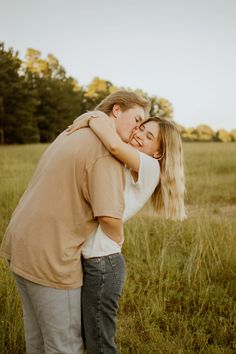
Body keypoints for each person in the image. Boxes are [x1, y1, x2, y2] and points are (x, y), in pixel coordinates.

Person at [0, 90, 150, 354]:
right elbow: (109, 217)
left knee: (36, 343)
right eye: (136, 119)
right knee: (64, 346)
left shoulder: (73, 130)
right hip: (51, 258)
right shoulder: (105, 152)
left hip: (19, 245)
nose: (138, 129)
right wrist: (117, 238)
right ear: (116, 110)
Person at [66, 111, 186, 353]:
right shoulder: (126, 163)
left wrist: (94, 117)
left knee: (100, 345)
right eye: (141, 128)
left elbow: (112, 142)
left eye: (149, 135)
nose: (140, 134)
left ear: (158, 152)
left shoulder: (150, 166)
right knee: (86, 339)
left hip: (102, 265)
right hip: (91, 260)